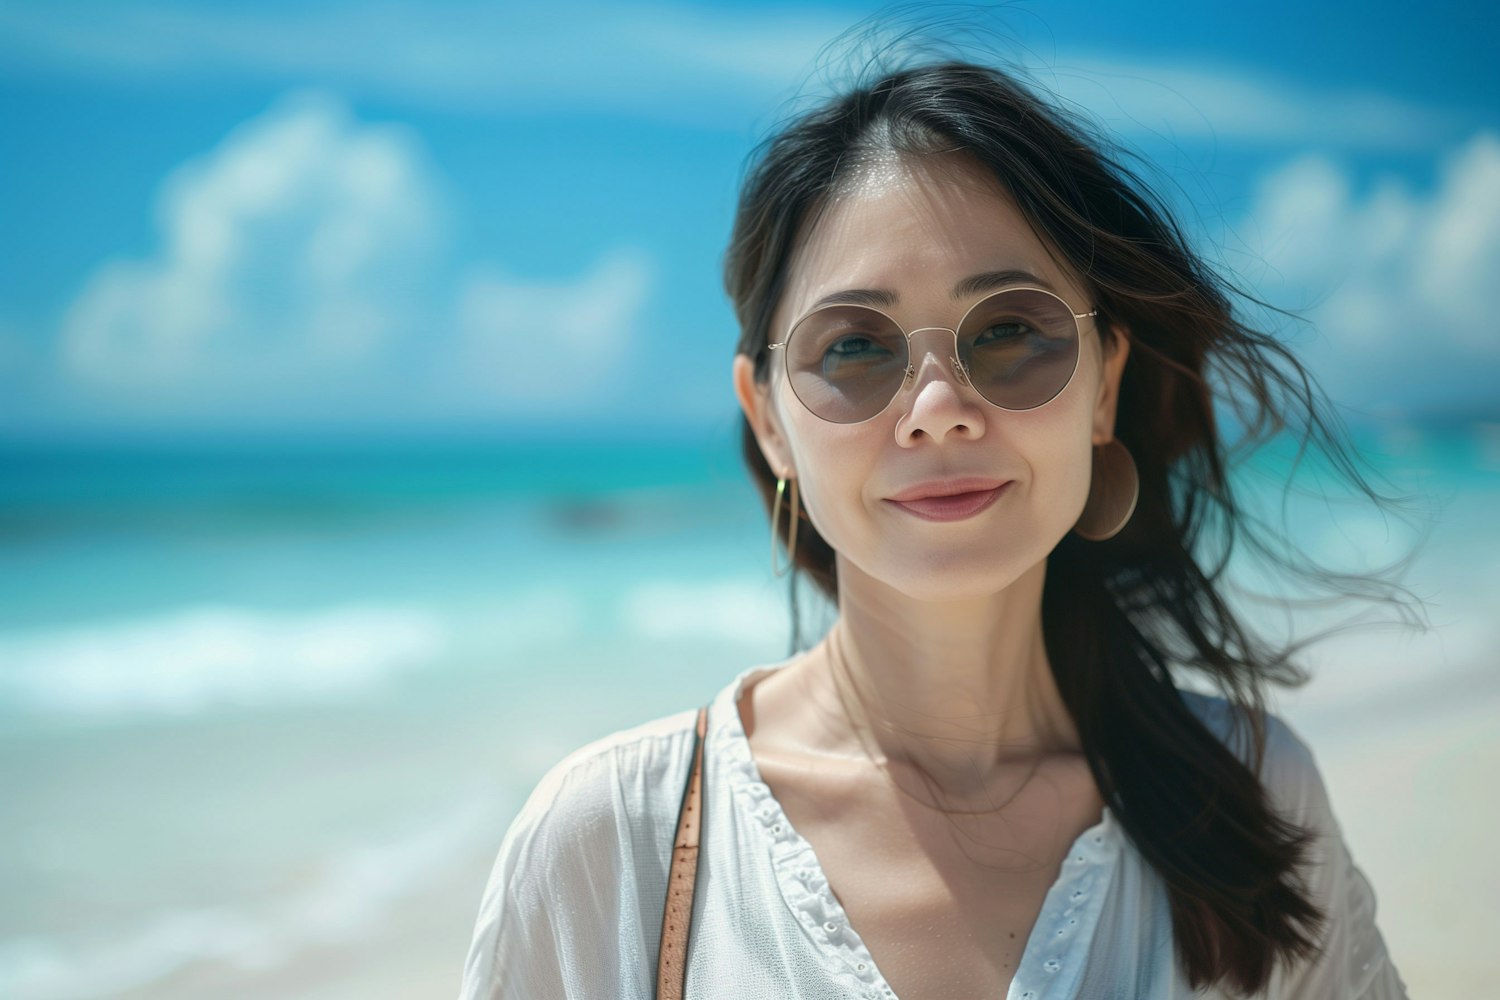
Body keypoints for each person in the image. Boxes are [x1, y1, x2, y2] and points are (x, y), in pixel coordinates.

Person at [460, 58, 1415, 999]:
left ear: (1104, 384)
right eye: (857, 347)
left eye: (1006, 330)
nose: (937, 408)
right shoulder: (614, 844)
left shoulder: (1247, 799)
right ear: (767, 421)